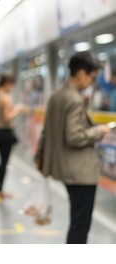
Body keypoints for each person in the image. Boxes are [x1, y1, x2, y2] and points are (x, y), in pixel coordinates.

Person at [37, 51, 110, 244]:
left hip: (65, 169)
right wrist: (99, 131)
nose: (92, 82)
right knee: (80, 225)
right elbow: (74, 137)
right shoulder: (74, 99)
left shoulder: (56, 96)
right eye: (92, 77)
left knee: (76, 221)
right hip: (80, 172)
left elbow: (48, 132)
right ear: (80, 73)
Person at [0, 74, 24, 202]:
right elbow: (7, 117)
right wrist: (18, 110)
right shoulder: (5, 97)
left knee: (2, 161)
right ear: (7, 83)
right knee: (4, 162)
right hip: (5, 131)